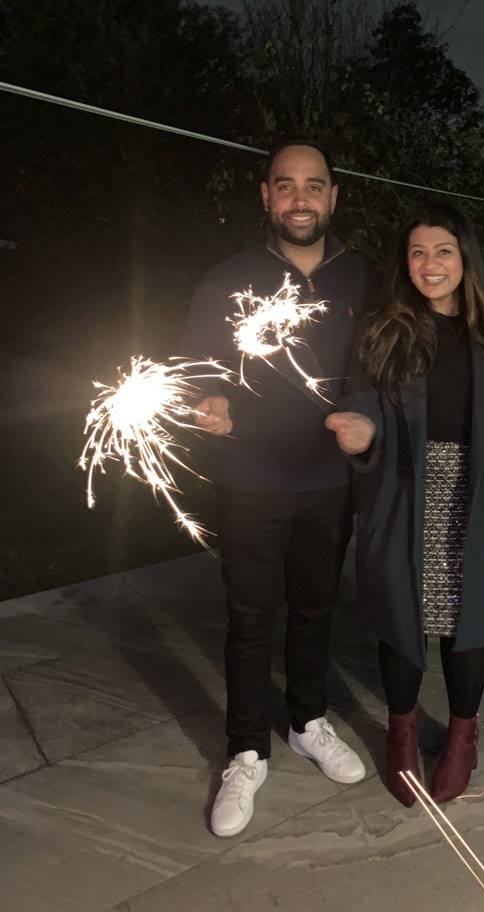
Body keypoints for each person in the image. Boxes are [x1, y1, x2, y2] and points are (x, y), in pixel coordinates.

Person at [326, 203, 484, 806]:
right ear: (404, 262)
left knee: (469, 623)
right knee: (400, 618)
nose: (429, 265)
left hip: (475, 491)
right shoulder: (384, 326)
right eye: (417, 252)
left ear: (465, 259)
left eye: (442, 251)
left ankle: (463, 735)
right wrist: (361, 429)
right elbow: (360, 399)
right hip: (402, 490)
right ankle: (402, 733)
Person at [183, 138, 379, 837]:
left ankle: (307, 720)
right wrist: (209, 403)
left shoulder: (365, 279)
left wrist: (368, 417)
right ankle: (245, 750)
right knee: (249, 617)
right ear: (266, 196)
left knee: (317, 608)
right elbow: (198, 368)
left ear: (334, 196)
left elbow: (378, 371)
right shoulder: (226, 279)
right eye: (286, 185)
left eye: (315, 185)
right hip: (249, 480)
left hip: (327, 481)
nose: (301, 198)